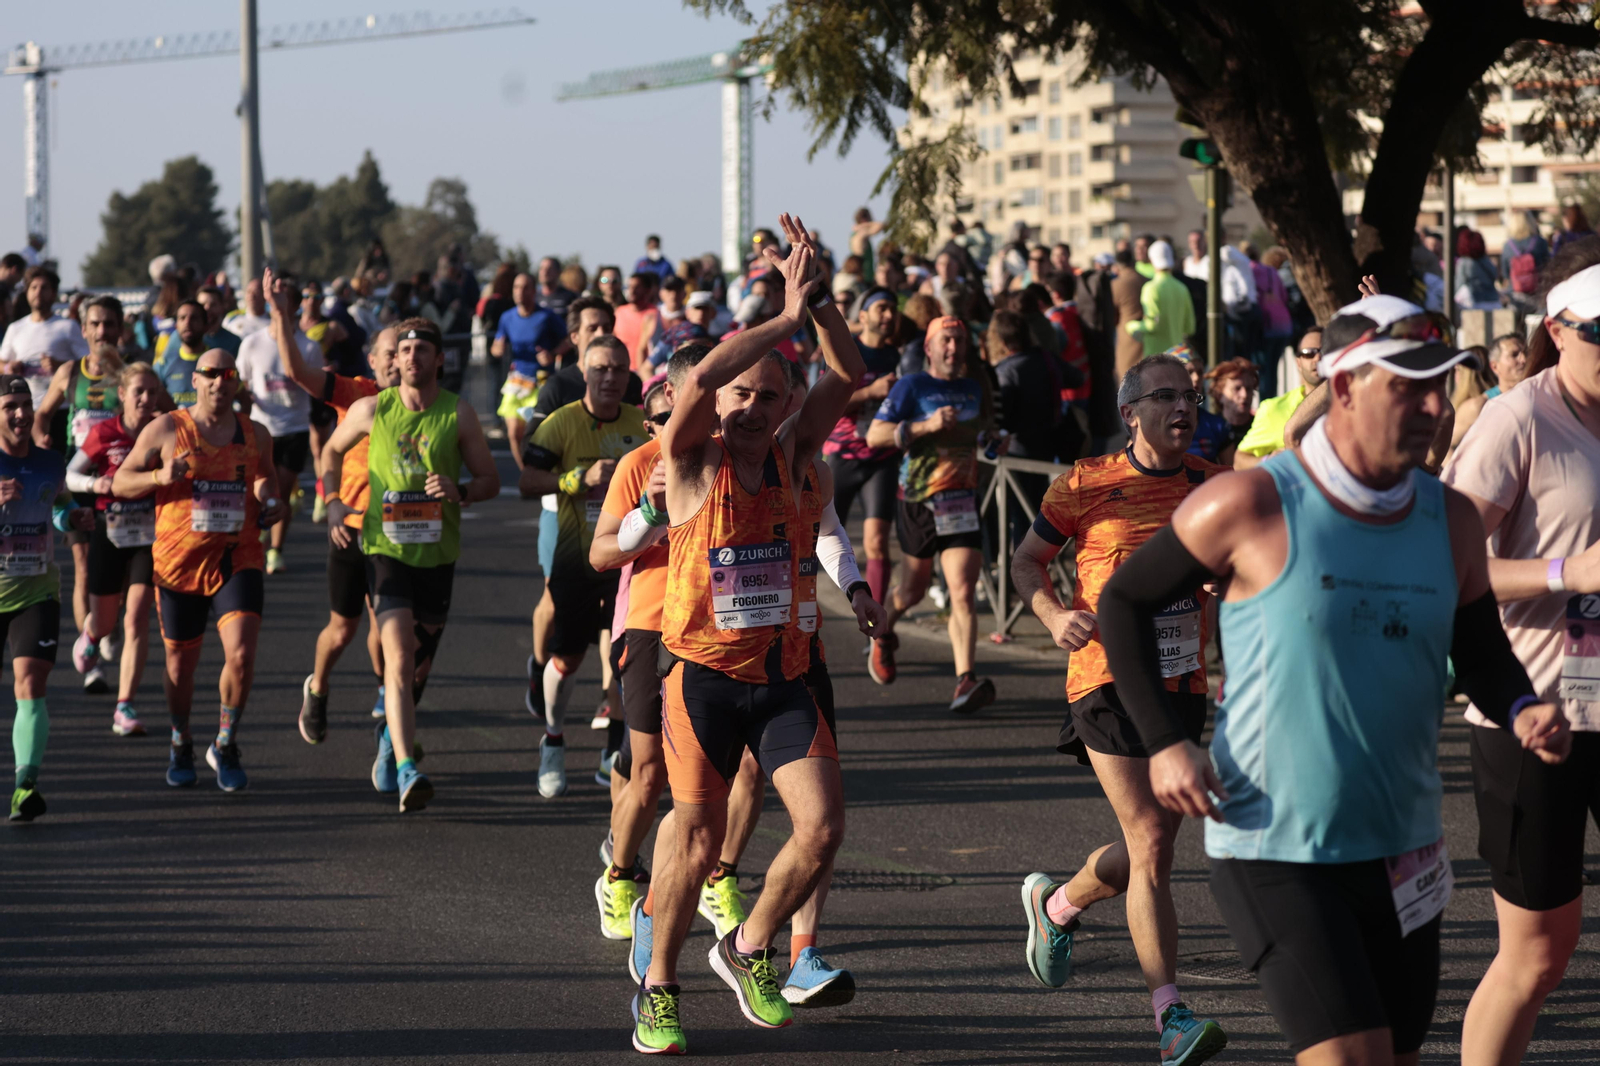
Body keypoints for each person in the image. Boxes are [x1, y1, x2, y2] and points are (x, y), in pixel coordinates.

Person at [1096, 293, 1570, 1066]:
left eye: (1439, 385)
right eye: (1406, 386)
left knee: (1398, 1055)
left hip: (1403, 847)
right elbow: (1124, 601)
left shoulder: (1448, 517)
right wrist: (1164, 744)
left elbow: (1479, 645)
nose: (1431, 406)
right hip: (1274, 841)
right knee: (1353, 1057)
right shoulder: (1251, 501)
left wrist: (1520, 708)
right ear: (1344, 387)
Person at [631, 214, 861, 1054]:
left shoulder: (801, 456)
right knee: (694, 843)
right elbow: (700, 384)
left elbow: (851, 372)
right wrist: (780, 315)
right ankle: (659, 987)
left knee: (824, 828)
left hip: (785, 677)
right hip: (702, 680)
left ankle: (749, 946)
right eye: (742, 394)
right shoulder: (692, 457)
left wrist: (821, 302)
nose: (755, 407)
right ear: (717, 399)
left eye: (770, 395)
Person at [1013, 352, 1227, 1066]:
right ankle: (1170, 1016)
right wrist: (1048, 615)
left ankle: (1058, 904)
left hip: (1181, 681)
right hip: (1101, 677)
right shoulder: (1086, 483)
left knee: (1152, 841)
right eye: (1165, 396)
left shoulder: (1211, 486)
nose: (1184, 408)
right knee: (1152, 841)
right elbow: (1026, 561)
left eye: (1191, 397)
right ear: (1130, 413)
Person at [1442, 248, 1600, 1066]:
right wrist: (1564, 572)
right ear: (1558, 330)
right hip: (1534, 711)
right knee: (1539, 953)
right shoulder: (1518, 418)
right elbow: (1445, 560)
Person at [321, 320, 500, 812]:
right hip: (385, 549)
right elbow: (331, 452)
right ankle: (406, 769)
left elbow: (489, 479)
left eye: (423, 349)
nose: (412, 357)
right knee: (397, 659)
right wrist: (334, 501)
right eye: (404, 350)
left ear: (440, 359)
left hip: (438, 554)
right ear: (393, 360)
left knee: (416, 671)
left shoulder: (458, 414)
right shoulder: (371, 408)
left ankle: (390, 739)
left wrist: (460, 490)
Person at [114, 350, 284, 792]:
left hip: (237, 555)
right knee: (178, 666)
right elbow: (120, 481)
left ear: (237, 382)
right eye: (210, 374)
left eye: (228, 375)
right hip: (178, 566)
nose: (219, 383)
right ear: (196, 379)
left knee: (242, 655)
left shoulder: (255, 433)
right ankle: (180, 739)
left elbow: (266, 478)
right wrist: (158, 478)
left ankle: (225, 743)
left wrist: (270, 500)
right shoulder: (169, 427)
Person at [257, 269, 402, 744]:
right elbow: (298, 372)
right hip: (352, 526)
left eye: (405, 355)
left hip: (401, 531)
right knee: (343, 630)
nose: (398, 365)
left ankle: (388, 694)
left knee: (389, 626)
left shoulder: (429, 407)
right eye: (389, 357)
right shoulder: (353, 391)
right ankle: (317, 687)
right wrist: (282, 316)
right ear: (374, 361)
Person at [518, 334, 647, 798]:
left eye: (618, 369)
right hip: (575, 558)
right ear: (584, 372)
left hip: (629, 564)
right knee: (568, 657)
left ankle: (614, 749)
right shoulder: (561, 422)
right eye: (600, 369)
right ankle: (553, 739)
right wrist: (579, 478)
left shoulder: (641, 422)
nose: (610, 378)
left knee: (626, 660)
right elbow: (527, 481)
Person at [865, 315, 999, 712]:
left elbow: (979, 435)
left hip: (962, 502)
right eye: (946, 341)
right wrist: (924, 426)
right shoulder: (912, 386)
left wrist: (993, 442)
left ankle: (965, 681)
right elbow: (875, 435)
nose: (953, 348)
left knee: (962, 591)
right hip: (919, 501)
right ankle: (880, 635)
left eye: (958, 340)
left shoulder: (973, 388)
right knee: (912, 591)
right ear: (928, 348)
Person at [0, 375, 90, 821]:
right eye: (9, 406)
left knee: (31, 684)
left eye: (24, 404)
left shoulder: (51, 463)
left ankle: (24, 785)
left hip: (36, 588)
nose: (19, 413)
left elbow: (57, 508)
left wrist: (74, 517)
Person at [65, 364, 163, 737]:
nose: (145, 399)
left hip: (148, 536)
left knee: (136, 616)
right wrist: (99, 483)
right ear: (122, 394)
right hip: (110, 532)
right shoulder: (104, 432)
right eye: (138, 391)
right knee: (105, 622)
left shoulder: (163, 430)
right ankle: (91, 637)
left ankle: (125, 706)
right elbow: (71, 474)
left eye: (152, 392)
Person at [33, 337, 122, 692]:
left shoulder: (128, 375)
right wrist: (41, 436)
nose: (103, 332)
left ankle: (108, 624)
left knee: (120, 571)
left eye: (110, 325)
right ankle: (92, 664)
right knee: (84, 565)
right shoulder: (70, 372)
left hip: (118, 482)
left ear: (120, 330)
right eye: (96, 324)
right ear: (84, 331)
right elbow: (43, 413)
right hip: (78, 480)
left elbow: (161, 410)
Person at [237, 272, 325, 575]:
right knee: (256, 492)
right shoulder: (251, 344)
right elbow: (241, 384)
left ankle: (275, 549)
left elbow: (317, 388)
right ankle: (254, 540)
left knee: (281, 493)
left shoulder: (309, 347)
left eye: (284, 299)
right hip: (261, 429)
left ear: (294, 306)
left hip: (294, 429)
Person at [822, 287, 900, 613]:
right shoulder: (847, 352)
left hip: (882, 458)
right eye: (881, 308)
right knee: (820, 535)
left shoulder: (900, 357)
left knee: (877, 543)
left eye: (893, 308)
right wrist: (871, 393)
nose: (888, 314)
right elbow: (826, 404)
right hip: (842, 455)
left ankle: (876, 625)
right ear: (863, 316)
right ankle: (801, 617)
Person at [493, 273, 568, 466]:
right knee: (513, 432)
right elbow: (496, 346)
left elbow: (568, 340)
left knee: (538, 432)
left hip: (541, 381)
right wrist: (497, 350)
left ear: (534, 291)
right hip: (517, 381)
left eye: (525, 287)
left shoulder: (547, 316)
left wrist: (552, 354)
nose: (520, 292)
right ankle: (525, 473)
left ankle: (543, 471)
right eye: (516, 287)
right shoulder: (507, 317)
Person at [1232, 326, 1322, 470]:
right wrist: (1269, 460)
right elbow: (1239, 461)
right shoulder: (1273, 409)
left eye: (1325, 352)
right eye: (1309, 353)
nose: (1318, 358)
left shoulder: (1355, 400)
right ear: (1298, 363)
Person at [0, 267, 87, 409]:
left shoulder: (68, 326)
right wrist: (9, 367)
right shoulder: (15, 328)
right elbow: (1, 363)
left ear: (53, 294)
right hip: (25, 410)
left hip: (60, 408)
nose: (38, 292)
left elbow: (88, 364)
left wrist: (60, 366)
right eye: (33, 287)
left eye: (44, 288)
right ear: (27, 293)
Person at [1125, 241, 1195, 358]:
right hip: (1177, 357)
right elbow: (1190, 328)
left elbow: (1152, 325)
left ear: (1151, 260)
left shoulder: (1151, 288)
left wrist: (1131, 326)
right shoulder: (1182, 288)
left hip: (1156, 359)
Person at [153, 299, 210, 410]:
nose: (187, 323)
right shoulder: (163, 364)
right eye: (182, 318)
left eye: (194, 318)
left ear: (206, 326)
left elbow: (243, 400)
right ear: (176, 326)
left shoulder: (219, 361)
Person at [1202, 357, 1259, 467]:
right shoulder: (1210, 428)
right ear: (1219, 394)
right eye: (1237, 388)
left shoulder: (1262, 427)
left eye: (1249, 389)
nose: (1244, 395)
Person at [1500, 211, 1550, 316]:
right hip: (1537, 294)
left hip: (1515, 295)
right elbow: (1548, 267)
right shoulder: (1540, 242)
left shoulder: (1507, 246)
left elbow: (1505, 273)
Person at [1111, 247, 1146, 380]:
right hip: (1149, 341)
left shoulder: (1116, 284)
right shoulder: (1147, 280)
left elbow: (1112, 317)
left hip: (1127, 342)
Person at [614, 273, 661, 370]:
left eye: (637, 287)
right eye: (629, 286)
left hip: (645, 372)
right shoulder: (619, 312)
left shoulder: (656, 314)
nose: (632, 291)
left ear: (647, 290)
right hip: (621, 369)